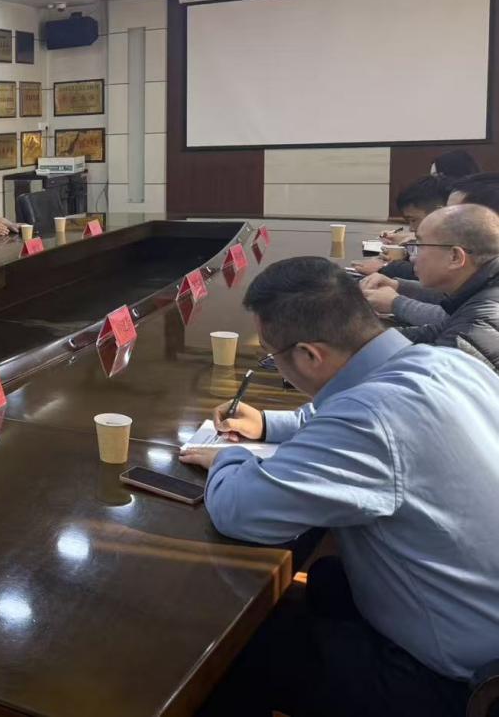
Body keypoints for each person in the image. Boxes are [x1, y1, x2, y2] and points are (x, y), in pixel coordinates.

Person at [181, 256, 499, 717]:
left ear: (309, 355)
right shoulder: (448, 362)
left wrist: (230, 457)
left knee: (227, 654)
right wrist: (270, 424)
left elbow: (241, 511)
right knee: (328, 581)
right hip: (478, 616)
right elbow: (355, 407)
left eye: (272, 356)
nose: (276, 368)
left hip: (458, 683)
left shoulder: (372, 419)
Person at [360, 204, 499, 369]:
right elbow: (431, 333)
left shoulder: (476, 325)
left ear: (455, 257)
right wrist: (355, 338)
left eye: (419, 247)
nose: (412, 258)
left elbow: (425, 374)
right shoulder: (478, 296)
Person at [353, 176, 452, 277]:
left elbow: (428, 273)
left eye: (414, 220)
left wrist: (386, 268)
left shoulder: (452, 243)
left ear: (439, 212)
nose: (411, 228)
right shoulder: (425, 241)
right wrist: (400, 257)